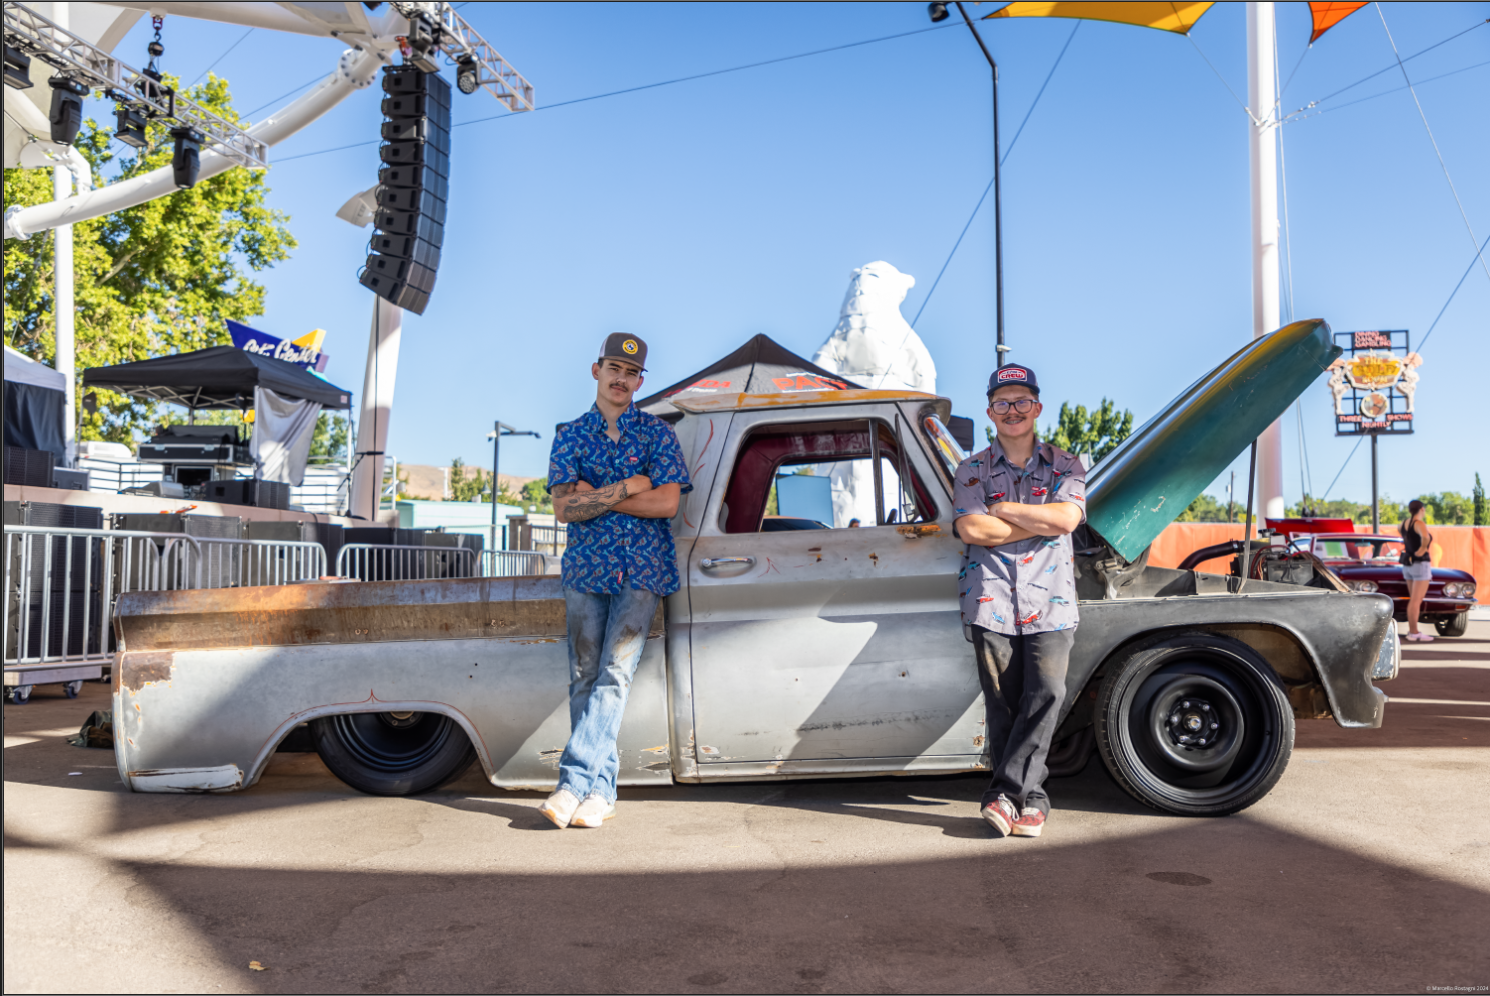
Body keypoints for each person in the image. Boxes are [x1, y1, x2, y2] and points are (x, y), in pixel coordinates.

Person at [538, 334, 692, 828]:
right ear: (596, 370)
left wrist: (597, 496)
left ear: (640, 380)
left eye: (631, 373)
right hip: (587, 569)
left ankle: (572, 782)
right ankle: (600, 794)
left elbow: (668, 503)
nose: (621, 379)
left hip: (643, 569)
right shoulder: (570, 434)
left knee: (615, 674)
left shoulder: (656, 434)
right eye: (613, 369)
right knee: (585, 674)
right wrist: (630, 486)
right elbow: (565, 509)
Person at [951, 364, 1086, 839]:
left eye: (1022, 401)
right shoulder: (971, 470)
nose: (1013, 410)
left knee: (1046, 695)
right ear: (990, 412)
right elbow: (972, 529)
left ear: (1037, 408)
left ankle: (1003, 795)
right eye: (1003, 403)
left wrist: (1005, 510)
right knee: (1004, 706)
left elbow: (1067, 519)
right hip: (990, 601)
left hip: (1051, 601)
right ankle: (1032, 801)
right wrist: (1039, 520)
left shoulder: (1067, 465)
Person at [1400, 499, 1435, 642]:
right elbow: (1425, 538)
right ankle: (1414, 632)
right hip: (1420, 564)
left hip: (1407, 564)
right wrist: (1422, 549)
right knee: (1416, 600)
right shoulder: (1419, 524)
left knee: (1413, 600)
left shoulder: (1403, 524)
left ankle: (1412, 631)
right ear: (1422, 509)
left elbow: (1407, 539)